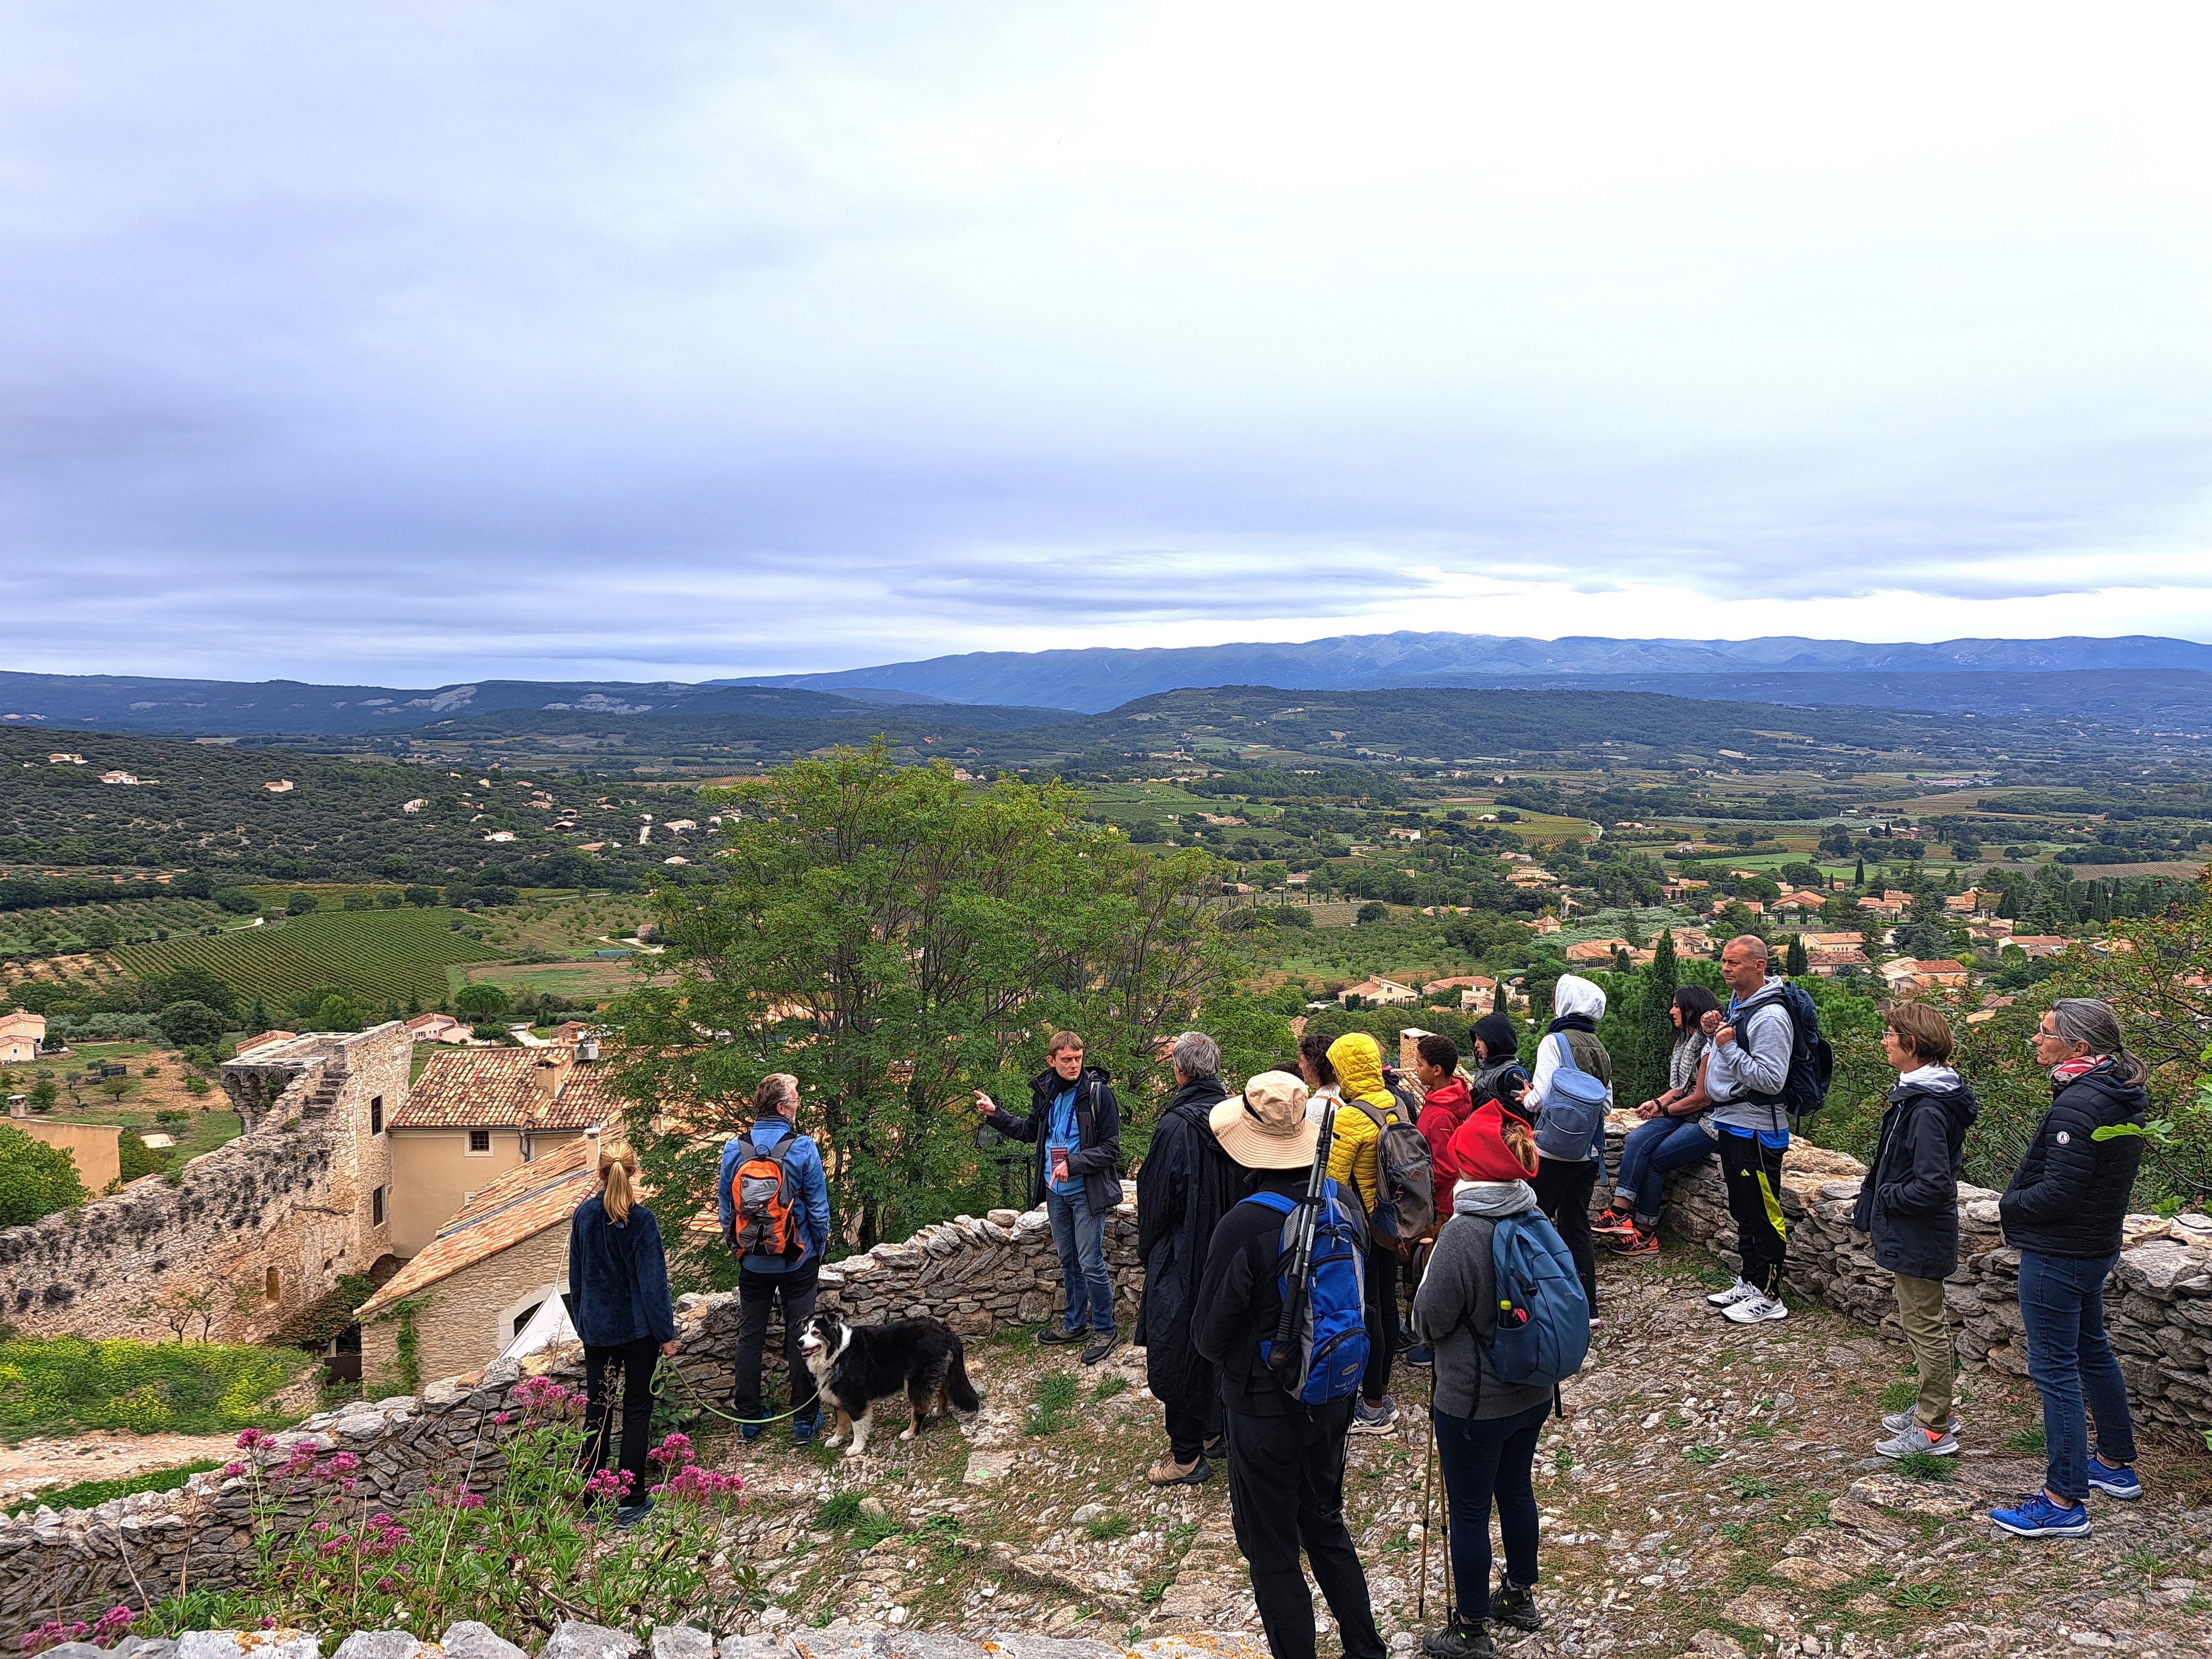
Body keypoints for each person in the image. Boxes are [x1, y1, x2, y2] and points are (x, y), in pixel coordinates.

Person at [1191, 1069, 1388, 1659]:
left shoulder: (1244, 1225)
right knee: (1324, 1526)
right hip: (1330, 1396)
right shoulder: (1343, 1202)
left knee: (1272, 1550)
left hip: (1261, 1407)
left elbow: (1206, 1336)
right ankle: (1365, 1650)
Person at [1990, 998, 2149, 1538]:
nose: (2036, 1040)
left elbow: (2059, 1190)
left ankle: (2062, 1500)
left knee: (2055, 1372)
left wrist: (2008, 1207)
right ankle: (2113, 1465)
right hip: (2095, 1246)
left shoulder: (2078, 1104)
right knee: (2092, 1349)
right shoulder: (2120, 1091)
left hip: (2059, 1252)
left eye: (2044, 1033)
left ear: (2078, 1047)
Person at [1413, 1099, 1549, 1659]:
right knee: (1516, 1489)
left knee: (1468, 1511)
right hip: (1534, 1387)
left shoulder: (1464, 1234)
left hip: (1473, 1401)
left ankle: (1470, 1630)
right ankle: (1518, 1596)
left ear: (1470, 1165)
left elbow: (1427, 1321)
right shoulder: (1534, 1216)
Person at [1855, 1001, 1979, 1460]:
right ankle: (1935, 1408)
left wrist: (1887, 1197)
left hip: (1919, 1231)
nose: (1884, 1041)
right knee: (1922, 1321)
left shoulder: (1926, 1108)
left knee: (1924, 1324)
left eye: (1890, 1034)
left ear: (1913, 1043)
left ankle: (1933, 1428)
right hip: (1916, 1231)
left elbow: (1933, 1185)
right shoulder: (1920, 1095)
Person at [975, 1030, 1125, 1363]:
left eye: (1079, 1058)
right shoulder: (1047, 1093)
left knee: (1090, 1263)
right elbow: (1031, 1133)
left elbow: (1111, 1150)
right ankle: (1074, 1325)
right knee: (1069, 1261)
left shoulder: (1098, 1095)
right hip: (1056, 1194)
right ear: (1052, 1061)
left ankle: (1105, 1329)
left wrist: (1073, 1163)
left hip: (1086, 1193)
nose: (1074, 1065)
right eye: (1067, 1060)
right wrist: (995, 1114)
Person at [1135, 1030, 1238, 1485]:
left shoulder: (1175, 1127)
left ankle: (1186, 1456)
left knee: (1178, 1347)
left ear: (1179, 1070)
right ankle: (1217, 1431)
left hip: (1184, 1255)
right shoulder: (1235, 1118)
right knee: (1223, 1341)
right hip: (1231, 1254)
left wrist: (1152, 1253)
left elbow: (1156, 1200)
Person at [721, 1073, 833, 1443]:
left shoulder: (734, 1149)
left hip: (752, 1260)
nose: (799, 1103)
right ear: (783, 1107)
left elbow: (726, 1208)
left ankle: (750, 1420)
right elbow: (817, 1208)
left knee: (749, 1337)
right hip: (796, 1258)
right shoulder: (803, 1147)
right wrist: (817, 1248)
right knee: (800, 1334)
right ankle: (804, 1421)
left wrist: (737, 1247)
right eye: (796, 1098)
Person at [570, 1141, 677, 1526]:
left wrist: (582, 1323)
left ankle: (593, 1500)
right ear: (634, 1173)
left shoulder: (583, 1216)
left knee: (597, 1413)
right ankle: (632, 1500)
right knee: (636, 1412)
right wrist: (666, 1334)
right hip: (638, 1332)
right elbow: (654, 1285)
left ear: (598, 1173)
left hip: (597, 1331)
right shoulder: (642, 1221)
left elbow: (576, 1279)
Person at [1698, 936, 1797, 1326]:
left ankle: (1770, 1296)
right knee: (1743, 1208)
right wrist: (1715, 1032)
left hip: (1758, 1129)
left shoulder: (1770, 1017)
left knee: (1763, 1213)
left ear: (1759, 966)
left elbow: (1772, 1080)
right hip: (1734, 1123)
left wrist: (1726, 1046)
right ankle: (1750, 1282)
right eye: (1724, 961)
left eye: (1735, 963)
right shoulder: (1740, 1006)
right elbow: (1729, 1053)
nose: (1726, 968)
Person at [1592, 985, 1722, 1260]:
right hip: (1683, 1114)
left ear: (1692, 1009)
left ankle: (1646, 1232)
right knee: (1637, 1139)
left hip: (1709, 1122)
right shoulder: (1684, 1042)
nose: (1671, 1011)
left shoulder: (1709, 1046)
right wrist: (1658, 1103)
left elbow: (1701, 1098)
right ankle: (1619, 1213)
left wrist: (1665, 1111)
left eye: (1677, 1006)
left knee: (1657, 1160)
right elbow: (1679, 1088)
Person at [1325, 1031, 1407, 1433]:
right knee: (1388, 1305)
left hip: (1364, 1225)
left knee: (1368, 1307)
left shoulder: (1351, 1116)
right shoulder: (1398, 1103)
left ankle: (1373, 1404)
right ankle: (1384, 1386)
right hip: (1395, 1221)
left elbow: (1333, 1181)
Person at [1521, 975, 1611, 1324]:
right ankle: (1588, 1307)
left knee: (1535, 1223)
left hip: (1554, 1152)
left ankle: (1541, 1300)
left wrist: (1525, 1097)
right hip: (1589, 1153)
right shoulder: (1598, 1046)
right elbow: (1606, 1105)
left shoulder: (1554, 1042)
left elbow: (1540, 1098)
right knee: (1577, 1227)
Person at [1405, 1032, 1476, 1367]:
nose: (1414, 1069)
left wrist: (1416, 1184)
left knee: (1435, 1272)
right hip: (1441, 1201)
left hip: (1442, 1205)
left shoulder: (1443, 1114)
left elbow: (1446, 1166)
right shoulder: (1448, 1098)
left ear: (1436, 1070)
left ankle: (1434, 1343)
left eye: (1418, 1065)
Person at [1465, 1012, 1529, 1114]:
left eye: (1481, 1039)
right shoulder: (1485, 1068)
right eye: (1476, 1039)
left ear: (1495, 1041)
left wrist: (1475, 1097)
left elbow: (1516, 1121)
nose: (1476, 1044)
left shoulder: (1512, 1076)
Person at [1297, 1028, 1347, 1125]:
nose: (1300, 1066)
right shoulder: (1349, 1097)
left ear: (1314, 1067)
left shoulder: (1312, 1107)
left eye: (1303, 1061)